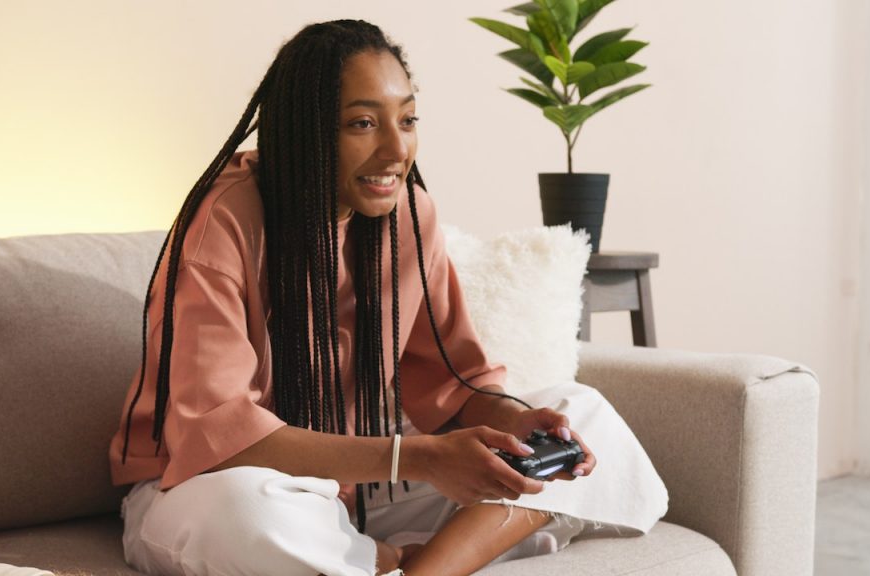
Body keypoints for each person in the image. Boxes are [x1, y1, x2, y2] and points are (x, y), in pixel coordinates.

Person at [108, 19, 667, 576]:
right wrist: (416, 458)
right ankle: (386, 558)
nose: (396, 148)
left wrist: (516, 421)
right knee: (246, 513)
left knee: (586, 415)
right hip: (199, 486)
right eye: (363, 123)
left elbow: (452, 381)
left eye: (407, 119)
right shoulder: (223, 222)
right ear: (305, 131)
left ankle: (412, 569)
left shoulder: (409, 217)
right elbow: (218, 435)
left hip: (358, 490)